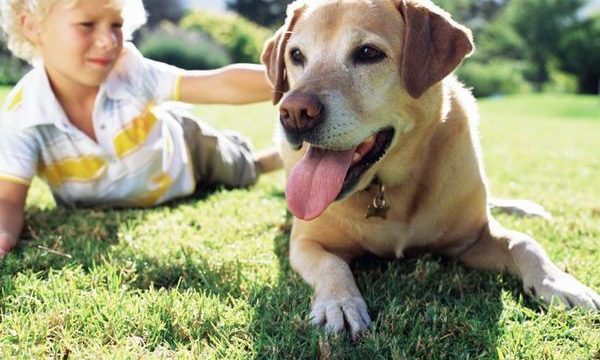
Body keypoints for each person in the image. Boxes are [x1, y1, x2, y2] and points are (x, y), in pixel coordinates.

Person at [0, 0, 282, 256]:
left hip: (186, 151)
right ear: (32, 26)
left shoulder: (130, 71)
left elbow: (217, 84)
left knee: (240, 170)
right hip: (144, 180)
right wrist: (3, 235)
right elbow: (7, 199)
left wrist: (292, 79)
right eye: (87, 24)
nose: (108, 40)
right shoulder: (23, 115)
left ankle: (266, 158)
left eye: (116, 25)